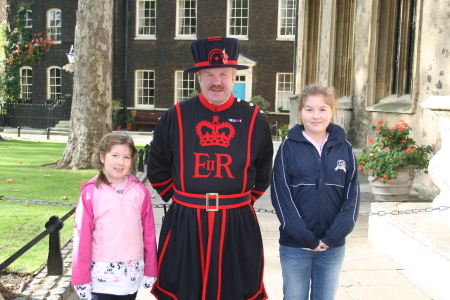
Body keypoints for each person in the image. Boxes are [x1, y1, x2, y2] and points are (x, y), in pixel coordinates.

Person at [147, 36, 273, 300]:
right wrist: (183, 200)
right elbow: (157, 165)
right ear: (199, 77)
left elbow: (263, 169)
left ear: (234, 76)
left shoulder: (254, 118)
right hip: (186, 218)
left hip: (236, 220)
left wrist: (239, 202)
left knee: (235, 287)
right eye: (209, 74)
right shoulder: (176, 115)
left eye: (224, 74)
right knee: (184, 287)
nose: (217, 81)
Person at [271, 84, 360, 300]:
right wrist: (306, 238)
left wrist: (334, 236)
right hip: (296, 245)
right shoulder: (287, 148)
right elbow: (281, 196)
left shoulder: (345, 148)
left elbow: (353, 198)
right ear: (300, 112)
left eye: (322, 109)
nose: (316, 116)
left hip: (332, 246)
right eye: (309, 109)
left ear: (332, 111)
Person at [72, 132, 157, 300]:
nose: (120, 162)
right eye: (115, 155)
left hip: (132, 275)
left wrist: (151, 269)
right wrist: (81, 278)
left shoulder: (140, 191)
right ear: (102, 157)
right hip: (102, 277)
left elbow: (149, 233)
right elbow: (82, 238)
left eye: (126, 157)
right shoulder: (90, 193)